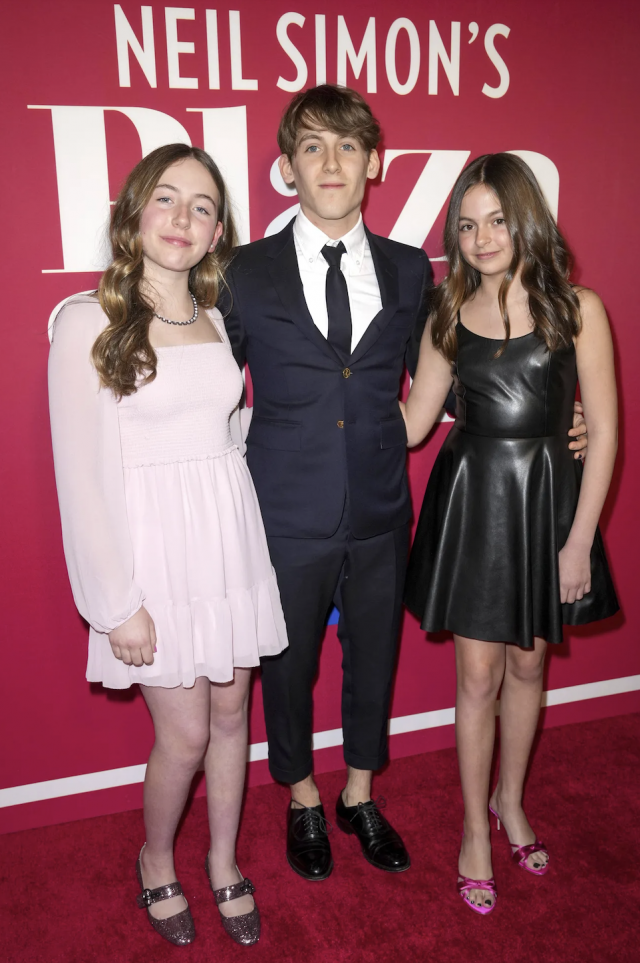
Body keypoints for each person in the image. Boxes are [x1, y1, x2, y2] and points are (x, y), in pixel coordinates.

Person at [222, 87, 589, 881]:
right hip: (282, 511)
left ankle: (359, 791)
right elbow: (207, 383)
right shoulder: (243, 272)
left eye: (348, 146)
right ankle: (302, 795)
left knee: (374, 658)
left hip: (385, 506)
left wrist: (561, 414)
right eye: (312, 146)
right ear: (287, 167)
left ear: (374, 163)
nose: (331, 162)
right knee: (286, 666)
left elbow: (461, 374)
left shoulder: (408, 269)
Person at [48, 144, 288, 946]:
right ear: (133, 212)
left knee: (232, 716)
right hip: (153, 558)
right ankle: (156, 859)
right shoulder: (86, 320)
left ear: (218, 233)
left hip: (226, 542)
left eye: (203, 206)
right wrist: (115, 602)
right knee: (184, 734)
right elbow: (80, 475)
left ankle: (222, 860)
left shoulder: (215, 317)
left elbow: (223, 432)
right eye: (167, 198)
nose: (183, 217)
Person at [401, 153, 619, 914]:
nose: (482, 238)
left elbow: (606, 433)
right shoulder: (444, 312)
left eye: (497, 220)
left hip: (548, 507)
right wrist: (340, 390)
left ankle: (510, 801)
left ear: (527, 220)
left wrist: (578, 541)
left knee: (529, 668)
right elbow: (414, 423)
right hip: (474, 505)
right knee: (477, 678)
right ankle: (474, 830)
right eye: (466, 226)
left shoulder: (578, 308)